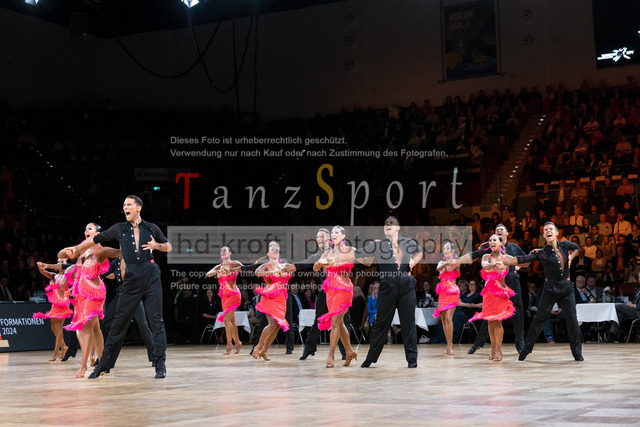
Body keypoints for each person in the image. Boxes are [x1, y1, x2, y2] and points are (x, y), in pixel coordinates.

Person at [64, 195, 172, 379]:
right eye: (123, 205)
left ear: (138, 208)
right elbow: (96, 239)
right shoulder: (119, 228)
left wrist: (156, 245)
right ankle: (103, 365)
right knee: (117, 324)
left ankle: (160, 365)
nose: (125, 208)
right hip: (131, 279)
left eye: (128, 204)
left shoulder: (151, 227)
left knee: (156, 322)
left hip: (151, 275)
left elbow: (168, 246)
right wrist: (78, 249)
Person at [343, 216, 423, 368]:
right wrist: (337, 256)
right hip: (387, 289)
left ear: (397, 228)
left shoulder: (408, 242)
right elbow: (359, 254)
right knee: (381, 324)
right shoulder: (379, 244)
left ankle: (412, 360)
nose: (387, 225)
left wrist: (413, 261)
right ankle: (370, 358)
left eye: (391, 223)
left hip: (407, 287)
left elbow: (419, 252)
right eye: (385, 223)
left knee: (409, 324)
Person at [505, 222, 584, 361]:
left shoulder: (565, 245)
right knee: (539, 318)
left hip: (566, 288)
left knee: (572, 319)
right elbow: (524, 259)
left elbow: (577, 247)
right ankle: (526, 349)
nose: (548, 231)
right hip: (550, 289)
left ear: (556, 233)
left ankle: (577, 353)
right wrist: (507, 261)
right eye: (545, 230)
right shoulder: (541, 252)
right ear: (544, 235)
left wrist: (571, 257)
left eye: (550, 229)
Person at [453, 224, 527, 354]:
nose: (499, 231)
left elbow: (526, 261)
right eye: (497, 230)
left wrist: (517, 266)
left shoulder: (514, 247)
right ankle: (478, 343)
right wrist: (458, 260)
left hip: (511, 279)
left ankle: (520, 343)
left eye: (501, 230)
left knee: (517, 311)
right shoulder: (488, 248)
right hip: (494, 283)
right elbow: (474, 255)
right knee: (490, 313)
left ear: (507, 233)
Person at [59, 223, 115, 378]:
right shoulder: (82, 247)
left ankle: (83, 366)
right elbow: (63, 256)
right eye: (85, 229)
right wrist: (67, 251)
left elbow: (115, 254)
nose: (86, 231)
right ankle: (102, 363)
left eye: (90, 228)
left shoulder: (100, 250)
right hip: (81, 292)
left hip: (95, 293)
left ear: (98, 233)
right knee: (95, 328)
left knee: (87, 327)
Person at [282, 228, 346, 360]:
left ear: (328, 238)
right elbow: (301, 264)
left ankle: (345, 352)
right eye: (317, 237)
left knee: (342, 322)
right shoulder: (317, 256)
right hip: (325, 292)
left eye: (321, 236)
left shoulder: (337, 252)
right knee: (318, 320)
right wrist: (287, 268)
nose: (319, 239)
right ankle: (309, 348)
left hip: (339, 291)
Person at [313, 226, 358, 368]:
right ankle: (349, 351)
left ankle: (331, 355)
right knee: (339, 322)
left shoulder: (349, 250)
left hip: (343, 289)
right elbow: (315, 268)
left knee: (334, 322)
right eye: (332, 232)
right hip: (330, 291)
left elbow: (366, 259)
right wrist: (320, 263)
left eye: (337, 232)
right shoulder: (328, 253)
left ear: (343, 236)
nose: (333, 234)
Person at [468, 235, 515, 362]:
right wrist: (495, 264)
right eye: (490, 240)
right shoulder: (485, 257)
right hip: (488, 293)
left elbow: (506, 275)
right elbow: (485, 266)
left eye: (495, 240)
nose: (492, 242)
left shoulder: (506, 258)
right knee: (490, 321)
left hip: (500, 292)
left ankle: (499, 350)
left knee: (497, 321)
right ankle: (493, 349)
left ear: (501, 244)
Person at [101, 256, 154, 365]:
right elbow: (111, 274)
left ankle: (154, 357)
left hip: (134, 295)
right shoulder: (116, 262)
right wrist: (99, 274)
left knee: (143, 326)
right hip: (121, 294)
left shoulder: (135, 260)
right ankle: (104, 356)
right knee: (106, 323)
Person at [252, 241, 290, 361]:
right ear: (268, 253)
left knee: (277, 326)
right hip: (269, 296)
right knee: (272, 324)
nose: (275, 251)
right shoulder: (267, 265)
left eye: (277, 250)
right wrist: (270, 272)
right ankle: (258, 347)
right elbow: (257, 272)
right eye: (272, 249)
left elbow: (292, 271)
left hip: (281, 298)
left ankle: (264, 351)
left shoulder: (283, 265)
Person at [205, 246, 243, 355]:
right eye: (221, 250)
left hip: (234, 294)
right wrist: (214, 272)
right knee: (231, 321)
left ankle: (229, 345)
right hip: (224, 297)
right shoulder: (219, 266)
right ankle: (238, 342)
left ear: (229, 253)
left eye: (225, 250)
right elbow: (208, 273)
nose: (222, 252)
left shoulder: (234, 263)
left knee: (226, 319)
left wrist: (231, 270)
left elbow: (245, 269)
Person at [34, 261, 73, 362]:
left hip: (63, 302)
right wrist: (39, 265)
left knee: (58, 327)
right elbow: (43, 272)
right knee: (53, 327)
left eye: (62, 261)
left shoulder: (68, 275)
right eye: (59, 261)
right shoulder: (54, 276)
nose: (60, 262)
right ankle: (63, 347)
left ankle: (56, 352)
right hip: (55, 303)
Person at [433, 242, 460, 355]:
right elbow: (439, 268)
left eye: (448, 248)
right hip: (443, 293)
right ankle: (448, 343)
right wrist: (446, 263)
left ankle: (450, 344)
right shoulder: (441, 262)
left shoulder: (456, 261)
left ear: (452, 251)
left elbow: (456, 265)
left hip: (452, 292)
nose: (445, 250)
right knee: (444, 319)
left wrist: (452, 261)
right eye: (444, 249)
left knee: (449, 317)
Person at [606, 273, 640, 342]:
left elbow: (635, 305)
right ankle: (611, 336)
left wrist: (633, 305)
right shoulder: (639, 289)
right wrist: (630, 303)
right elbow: (635, 301)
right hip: (634, 310)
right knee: (619, 314)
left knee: (616, 306)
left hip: (638, 311)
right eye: (639, 277)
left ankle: (606, 324)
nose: (639, 279)